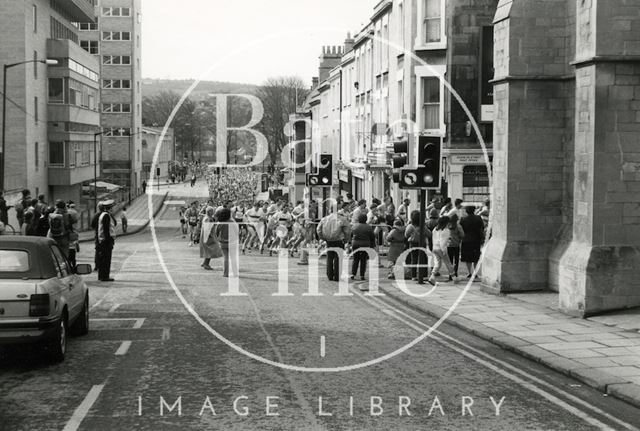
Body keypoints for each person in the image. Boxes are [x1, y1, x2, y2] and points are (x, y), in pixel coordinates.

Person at [317, 203, 351, 282]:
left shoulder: (324, 219)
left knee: (329, 257)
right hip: (339, 240)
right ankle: (337, 276)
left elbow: (318, 230)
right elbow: (348, 231)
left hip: (329, 240)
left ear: (330, 210)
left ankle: (330, 275)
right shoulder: (342, 219)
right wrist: (346, 239)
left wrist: (323, 238)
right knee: (338, 258)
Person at [405, 210, 432, 281]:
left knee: (414, 259)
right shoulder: (423, 227)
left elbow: (406, 234)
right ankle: (424, 275)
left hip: (413, 243)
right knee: (424, 259)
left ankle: (413, 275)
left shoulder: (410, 226)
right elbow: (429, 234)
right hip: (422, 243)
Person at [429, 216, 456, 285]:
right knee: (448, 263)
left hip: (435, 248)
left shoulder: (435, 229)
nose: (449, 224)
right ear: (446, 223)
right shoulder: (446, 231)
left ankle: (432, 277)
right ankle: (454, 278)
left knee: (438, 264)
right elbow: (442, 242)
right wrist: (444, 250)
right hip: (441, 249)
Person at [460, 205, 485, 281]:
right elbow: (482, 227)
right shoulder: (478, 218)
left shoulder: (463, 219)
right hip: (476, 239)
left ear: (467, 211)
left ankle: (469, 272)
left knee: (468, 257)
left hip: (466, 239)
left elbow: (461, 229)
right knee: (475, 257)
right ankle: (475, 273)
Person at [350, 213, 376, 284]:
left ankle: (353, 273)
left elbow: (351, 235)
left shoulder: (354, 226)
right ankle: (362, 275)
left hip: (355, 244)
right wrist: (373, 244)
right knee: (363, 260)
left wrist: (350, 242)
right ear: (366, 219)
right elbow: (372, 236)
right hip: (365, 245)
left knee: (355, 259)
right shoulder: (368, 227)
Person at [96, 200, 117, 282]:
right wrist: (109, 241)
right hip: (106, 241)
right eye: (113, 207)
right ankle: (105, 276)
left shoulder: (105, 215)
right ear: (110, 208)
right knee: (106, 260)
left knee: (103, 259)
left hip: (103, 240)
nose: (114, 209)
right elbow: (106, 230)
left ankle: (101, 276)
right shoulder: (106, 216)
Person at [215, 208, 238, 278]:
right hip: (232, 242)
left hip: (222, 242)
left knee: (226, 258)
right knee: (233, 258)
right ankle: (235, 273)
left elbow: (216, 232)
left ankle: (225, 273)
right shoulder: (232, 221)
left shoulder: (219, 222)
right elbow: (236, 230)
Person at [447, 214, 465, 278]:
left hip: (448, 244)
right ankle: (455, 272)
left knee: (450, 260)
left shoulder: (447, 226)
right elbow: (462, 235)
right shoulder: (458, 226)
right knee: (456, 260)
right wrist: (459, 238)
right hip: (456, 244)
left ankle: (450, 274)